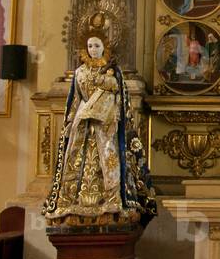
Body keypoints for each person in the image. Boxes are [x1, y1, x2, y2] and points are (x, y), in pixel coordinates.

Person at [43, 27, 156, 226]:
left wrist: (113, 115)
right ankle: (71, 203)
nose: (93, 49)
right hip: (83, 126)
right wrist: (70, 122)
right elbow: (75, 100)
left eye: (96, 45)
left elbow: (120, 98)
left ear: (104, 47)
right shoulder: (79, 73)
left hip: (105, 126)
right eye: (89, 46)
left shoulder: (114, 71)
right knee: (77, 160)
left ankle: (111, 203)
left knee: (108, 159)